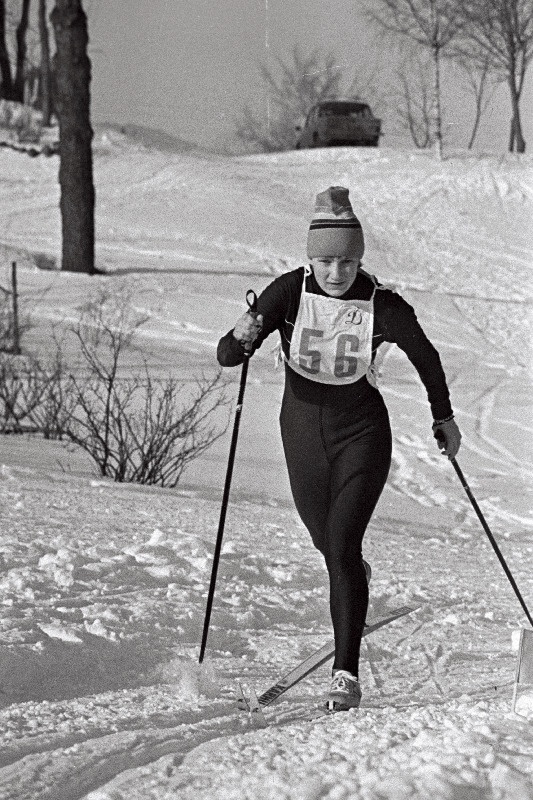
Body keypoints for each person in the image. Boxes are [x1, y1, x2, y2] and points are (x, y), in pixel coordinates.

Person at [216, 186, 461, 712]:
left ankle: (345, 673)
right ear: (310, 258)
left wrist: (444, 418)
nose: (336, 272)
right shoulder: (287, 293)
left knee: (343, 542)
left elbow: (427, 357)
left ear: (360, 259)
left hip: (362, 437)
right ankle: (353, 577)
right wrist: (241, 337)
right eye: (326, 260)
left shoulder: (381, 304)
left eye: (347, 261)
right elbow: (226, 355)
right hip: (301, 435)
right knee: (327, 543)